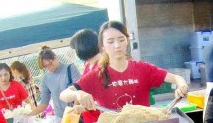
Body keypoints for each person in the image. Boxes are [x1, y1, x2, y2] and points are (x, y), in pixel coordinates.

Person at [59, 21, 188, 118]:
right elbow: (63, 95)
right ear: (102, 46)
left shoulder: (142, 68)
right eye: (110, 42)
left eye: (121, 40)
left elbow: (176, 78)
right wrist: (78, 93)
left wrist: (181, 85)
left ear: (127, 41)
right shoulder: (97, 75)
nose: (117, 46)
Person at [28, 46, 81, 118]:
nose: (48, 68)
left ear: (55, 57)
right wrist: (29, 115)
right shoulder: (45, 79)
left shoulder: (70, 69)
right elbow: (44, 103)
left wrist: (74, 113)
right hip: (60, 117)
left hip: (77, 115)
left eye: (49, 64)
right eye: (45, 67)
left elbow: (80, 90)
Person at [68, 29, 102, 123]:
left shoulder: (101, 67)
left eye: (76, 50)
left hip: (101, 120)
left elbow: (104, 99)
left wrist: (82, 108)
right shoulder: (88, 65)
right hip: (92, 121)